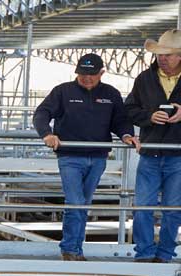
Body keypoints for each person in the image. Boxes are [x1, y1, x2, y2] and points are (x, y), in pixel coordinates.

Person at [34, 54, 138, 261]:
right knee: (75, 202)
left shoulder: (111, 94)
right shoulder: (63, 91)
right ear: (76, 72)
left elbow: (119, 120)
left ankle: (73, 248)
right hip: (70, 156)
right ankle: (72, 250)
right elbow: (42, 113)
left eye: (91, 74)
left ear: (101, 73)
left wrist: (126, 135)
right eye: (82, 74)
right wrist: (47, 133)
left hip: (98, 157)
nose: (87, 78)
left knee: (84, 203)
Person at [127, 29, 181, 262]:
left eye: (167, 54)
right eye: (160, 54)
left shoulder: (146, 79)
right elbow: (129, 109)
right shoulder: (144, 79)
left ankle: (165, 254)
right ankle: (145, 252)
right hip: (150, 154)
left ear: (180, 56)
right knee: (143, 207)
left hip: (178, 156)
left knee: (173, 209)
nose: (162, 58)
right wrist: (150, 116)